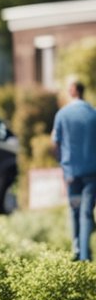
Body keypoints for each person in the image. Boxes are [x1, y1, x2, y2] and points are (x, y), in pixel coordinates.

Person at [51, 77, 96, 261]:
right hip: (92, 173)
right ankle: (85, 255)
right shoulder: (93, 114)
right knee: (86, 213)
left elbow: (55, 144)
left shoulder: (62, 115)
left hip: (71, 175)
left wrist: (62, 164)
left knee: (76, 211)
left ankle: (77, 251)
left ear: (73, 90)